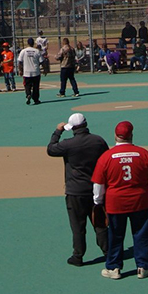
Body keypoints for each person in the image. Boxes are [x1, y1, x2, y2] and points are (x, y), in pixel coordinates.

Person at [92, 121, 148, 280]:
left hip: (115, 203)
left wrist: (98, 201)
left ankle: (114, 268)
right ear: (131, 135)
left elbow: (98, 184)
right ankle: (144, 267)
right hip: (140, 201)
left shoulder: (106, 157)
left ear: (115, 136)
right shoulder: (143, 154)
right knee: (142, 234)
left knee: (115, 235)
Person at [47, 113, 109, 266]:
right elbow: (107, 160)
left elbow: (51, 149)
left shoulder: (68, 144)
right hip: (96, 189)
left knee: (78, 226)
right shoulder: (98, 141)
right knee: (100, 223)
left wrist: (57, 132)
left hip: (75, 191)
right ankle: (109, 252)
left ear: (72, 128)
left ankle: (78, 256)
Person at [17, 37, 44, 105]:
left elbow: (20, 62)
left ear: (27, 43)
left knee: (27, 85)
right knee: (36, 86)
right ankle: (36, 99)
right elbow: (42, 61)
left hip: (27, 72)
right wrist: (45, 69)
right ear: (33, 43)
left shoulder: (23, 51)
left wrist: (20, 70)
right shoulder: (37, 51)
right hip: (36, 71)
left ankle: (28, 94)